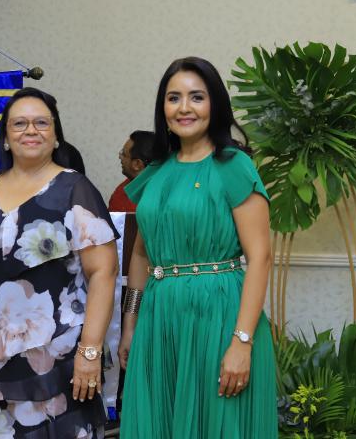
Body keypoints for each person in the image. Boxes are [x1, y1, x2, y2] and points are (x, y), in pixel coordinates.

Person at [118, 57, 277, 438]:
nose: (184, 107)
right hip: (160, 319)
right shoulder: (156, 171)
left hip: (219, 315)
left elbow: (260, 257)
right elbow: (140, 253)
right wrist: (130, 324)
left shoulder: (233, 165)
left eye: (196, 97)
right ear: (163, 108)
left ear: (215, 104)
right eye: (173, 98)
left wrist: (242, 342)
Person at [0, 87, 120, 438]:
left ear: (56, 135)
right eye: (20, 124)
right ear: (5, 138)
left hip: (55, 364)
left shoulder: (75, 190)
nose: (31, 130)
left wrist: (90, 351)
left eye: (41, 123)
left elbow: (103, 273)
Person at [108, 130, 154, 212]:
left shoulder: (158, 197)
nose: (120, 157)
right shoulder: (123, 188)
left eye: (124, 154)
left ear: (137, 164)